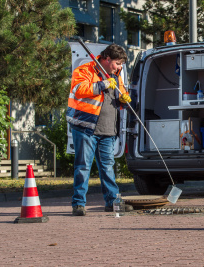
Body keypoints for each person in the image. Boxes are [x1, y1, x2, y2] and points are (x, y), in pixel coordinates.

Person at [66, 44, 131, 216]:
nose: (120, 67)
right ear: (107, 59)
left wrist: (124, 99)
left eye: (121, 64)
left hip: (108, 129)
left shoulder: (116, 75)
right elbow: (79, 90)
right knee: (83, 166)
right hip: (86, 126)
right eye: (118, 63)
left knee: (108, 167)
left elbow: (119, 94)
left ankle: (112, 202)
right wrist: (102, 84)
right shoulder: (84, 70)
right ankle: (78, 204)